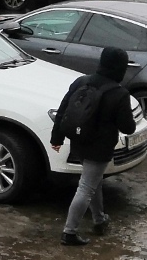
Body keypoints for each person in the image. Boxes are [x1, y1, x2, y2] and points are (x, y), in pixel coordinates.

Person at [51, 46, 137, 245]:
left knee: (93, 181)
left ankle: (99, 219)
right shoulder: (119, 93)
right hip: (99, 148)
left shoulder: (81, 81)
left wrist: (57, 138)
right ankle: (69, 232)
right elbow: (128, 127)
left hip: (78, 141)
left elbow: (63, 110)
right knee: (86, 187)